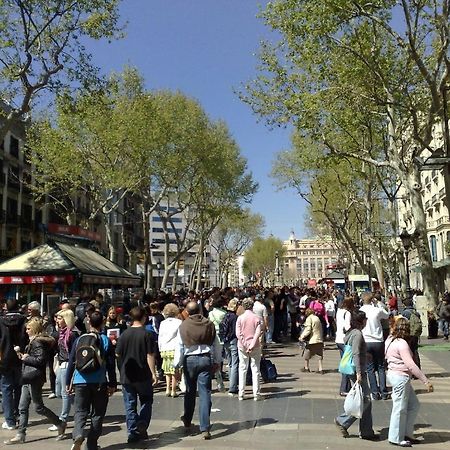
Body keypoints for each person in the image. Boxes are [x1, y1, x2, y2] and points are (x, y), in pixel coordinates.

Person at [4, 318, 64, 444]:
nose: (26, 331)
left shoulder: (37, 342)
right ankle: (21, 434)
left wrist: (26, 358)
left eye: (29, 328)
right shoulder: (33, 341)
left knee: (38, 407)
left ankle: (59, 423)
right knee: (22, 407)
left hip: (34, 378)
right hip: (28, 377)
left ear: (35, 329)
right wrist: (24, 356)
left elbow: (40, 360)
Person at [66, 311, 117, 450]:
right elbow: (111, 365)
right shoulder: (105, 340)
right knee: (97, 413)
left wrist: (67, 382)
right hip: (99, 381)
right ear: (102, 323)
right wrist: (112, 384)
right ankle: (92, 444)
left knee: (80, 411)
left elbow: (71, 362)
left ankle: (78, 434)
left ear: (89, 322)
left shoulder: (79, 339)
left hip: (79, 381)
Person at [174, 301, 221, 440]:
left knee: (189, 391)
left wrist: (177, 365)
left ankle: (187, 419)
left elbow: (180, 347)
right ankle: (205, 427)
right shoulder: (209, 324)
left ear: (187, 312)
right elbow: (216, 344)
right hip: (205, 359)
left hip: (190, 360)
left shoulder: (183, 326)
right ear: (200, 310)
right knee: (205, 392)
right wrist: (217, 361)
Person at [385, 317, 434, 447]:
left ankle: (406, 433)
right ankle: (395, 437)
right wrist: (425, 381)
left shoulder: (390, 339)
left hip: (395, 375)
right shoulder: (402, 344)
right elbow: (411, 365)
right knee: (399, 408)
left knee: (413, 405)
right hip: (401, 377)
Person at [116, 306, 158, 444]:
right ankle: (143, 422)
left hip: (127, 375)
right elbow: (150, 355)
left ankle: (132, 432)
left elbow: (118, 354)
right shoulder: (147, 334)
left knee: (130, 404)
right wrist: (153, 373)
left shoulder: (124, 335)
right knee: (146, 400)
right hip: (143, 374)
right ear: (144, 318)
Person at [334, 310, 378, 441]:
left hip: (353, 369)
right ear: (361, 321)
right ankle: (343, 421)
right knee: (365, 400)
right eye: (365, 319)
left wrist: (366, 355)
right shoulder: (358, 334)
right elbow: (355, 353)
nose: (366, 322)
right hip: (356, 370)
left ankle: (366, 431)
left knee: (365, 400)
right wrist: (359, 372)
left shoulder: (351, 333)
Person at [49, 309, 79, 434]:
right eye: (57, 317)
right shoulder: (61, 333)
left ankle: (63, 419)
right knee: (59, 392)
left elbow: (74, 353)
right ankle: (80, 409)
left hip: (68, 364)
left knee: (65, 392)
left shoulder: (72, 334)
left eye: (60, 318)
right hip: (60, 364)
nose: (57, 320)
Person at [0, 299, 28, 430]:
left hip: (4, 358)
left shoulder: (1, 321)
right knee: (18, 387)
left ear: (6, 307)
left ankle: (10, 420)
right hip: (20, 357)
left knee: (6, 389)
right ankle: (16, 413)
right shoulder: (24, 320)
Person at [360, 292, 390, 400]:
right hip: (378, 341)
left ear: (362, 300)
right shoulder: (377, 310)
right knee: (381, 367)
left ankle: (374, 392)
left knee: (370, 368)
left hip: (366, 341)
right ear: (372, 299)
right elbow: (387, 315)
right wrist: (378, 304)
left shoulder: (360, 311)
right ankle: (384, 391)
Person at [236, 298, 262, 401]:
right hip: (255, 346)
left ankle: (241, 393)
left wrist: (245, 344)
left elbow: (238, 333)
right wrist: (251, 345)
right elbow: (258, 332)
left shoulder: (240, 318)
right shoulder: (257, 318)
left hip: (242, 346)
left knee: (242, 368)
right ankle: (256, 393)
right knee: (255, 369)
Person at [158, 303, 182, 397]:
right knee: (175, 370)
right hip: (175, 348)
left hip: (165, 348)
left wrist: (160, 348)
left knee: (167, 370)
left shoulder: (162, 323)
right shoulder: (179, 322)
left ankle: (167, 388)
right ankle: (173, 390)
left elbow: (160, 336)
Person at [219, 298, 239, 396]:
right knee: (235, 363)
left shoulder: (225, 316)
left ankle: (232, 384)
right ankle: (233, 387)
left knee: (230, 363)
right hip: (233, 341)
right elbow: (235, 331)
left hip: (226, 341)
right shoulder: (234, 317)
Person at [207, 297, 227, 392]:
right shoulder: (224, 314)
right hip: (221, 337)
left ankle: (212, 381)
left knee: (212, 359)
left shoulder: (210, 313)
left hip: (212, 336)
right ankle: (220, 380)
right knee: (219, 360)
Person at [335, 297, 354, 395]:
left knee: (344, 362)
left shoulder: (339, 312)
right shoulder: (348, 313)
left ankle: (347, 386)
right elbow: (347, 327)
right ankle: (344, 388)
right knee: (347, 364)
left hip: (338, 339)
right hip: (345, 340)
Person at [299, 308, 324, 374]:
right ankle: (320, 369)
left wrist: (302, 336)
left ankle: (306, 367)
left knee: (307, 353)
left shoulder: (309, 318)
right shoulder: (317, 318)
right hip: (319, 339)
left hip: (312, 339)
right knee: (319, 354)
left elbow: (308, 329)